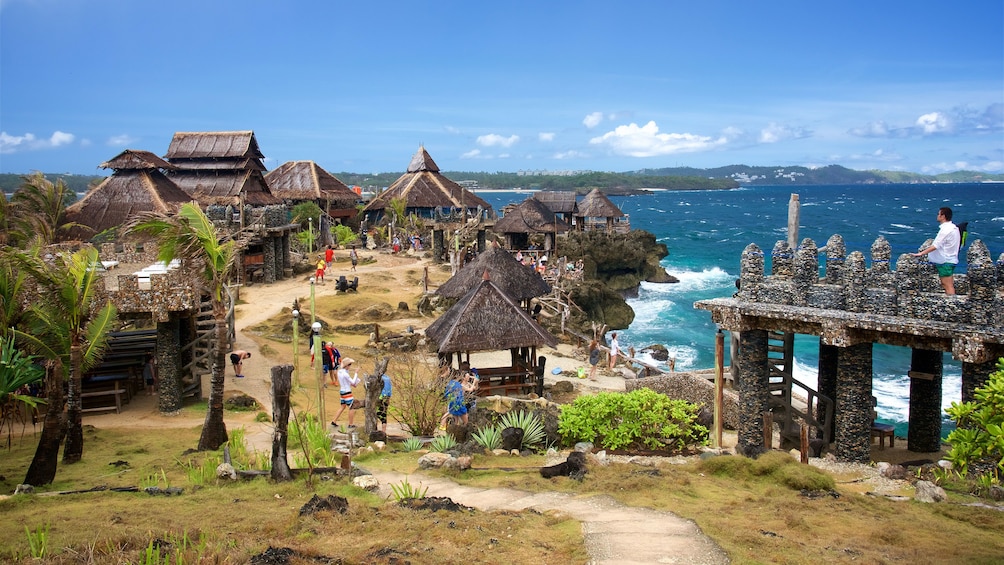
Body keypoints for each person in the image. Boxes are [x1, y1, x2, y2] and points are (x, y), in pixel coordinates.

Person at [913, 206, 960, 295]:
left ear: (943, 216)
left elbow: (936, 245)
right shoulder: (954, 228)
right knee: (946, 284)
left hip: (946, 261)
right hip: (950, 259)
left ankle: (952, 304)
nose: (937, 216)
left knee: (947, 285)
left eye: (939, 214)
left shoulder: (946, 230)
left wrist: (921, 253)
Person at [331, 357, 360, 428]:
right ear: (347, 365)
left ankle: (334, 421)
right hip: (347, 392)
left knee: (343, 406)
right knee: (352, 407)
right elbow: (352, 382)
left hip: (342, 391)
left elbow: (346, 382)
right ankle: (350, 424)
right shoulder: (345, 374)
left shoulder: (340, 372)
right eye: (350, 365)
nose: (350, 366)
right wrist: (356, 373)